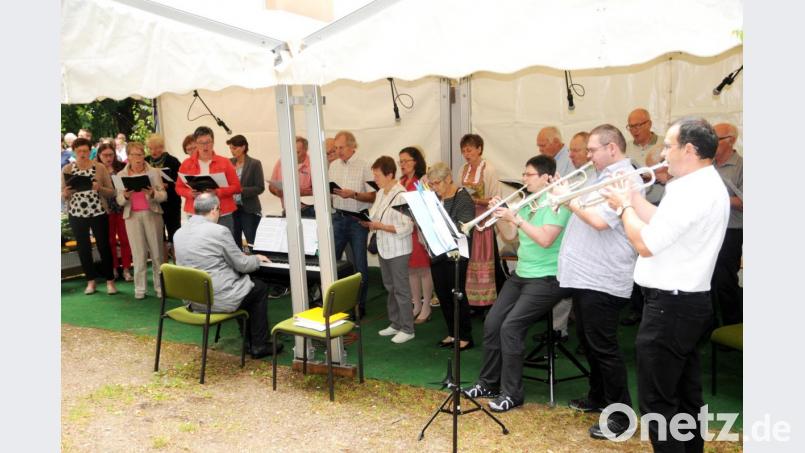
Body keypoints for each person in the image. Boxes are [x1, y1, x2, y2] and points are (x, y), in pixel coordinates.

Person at [602, 117, 729, 451]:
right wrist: (633, 197)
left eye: (669, 146)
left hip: (670, 307)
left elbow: (645, 244)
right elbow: (664, 225)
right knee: (686, 395)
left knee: (658, 402)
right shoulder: (704, 183)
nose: (663, 153)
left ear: (689, 150)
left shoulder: (689, 190)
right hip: (688, 303)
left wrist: (623, 207)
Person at [464, 155, 572, 412]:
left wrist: (516, 218)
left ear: (546, 177)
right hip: (522, 274)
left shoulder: (558, 203)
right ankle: (488, 383)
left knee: (511, 327)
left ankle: (512, 393)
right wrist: (502, 215)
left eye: (528, 174)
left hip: (548, 277)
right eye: (524, 174)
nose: (523, 178)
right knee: (492, 322)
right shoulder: (527, 202)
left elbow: (545, 240)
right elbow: (511, 236)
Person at [556, 124, 643, 440]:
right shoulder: (600, 176)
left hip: (603, 277)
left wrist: (568, 200)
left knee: (604, 348)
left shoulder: (624, 178)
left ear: (612, 148)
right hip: (586, 275)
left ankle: (621, 417)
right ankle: (598, 396)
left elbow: (599, 221)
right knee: (590, 342)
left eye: (592, 150)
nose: (588, 155)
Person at [173, 193, 282, 359]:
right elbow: (242, 265)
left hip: (194, 300)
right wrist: (256, 259)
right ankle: (259, 344)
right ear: (214, 210)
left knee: (244, 286)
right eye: (219, 209)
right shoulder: (219, 231)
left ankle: (248, 341)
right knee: (258, 287)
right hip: (216, 298)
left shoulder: (179, 233)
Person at [360, 156, 415, 343]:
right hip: (384, 247)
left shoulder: (402, 195)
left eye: (377, 175)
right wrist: (366, 221)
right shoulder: (381, 193)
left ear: (390, 174)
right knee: (390, 288)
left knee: (401, 289)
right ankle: (395, 323)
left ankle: (408, 328)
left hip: (398, 249)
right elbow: (375, 216)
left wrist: (381, 226)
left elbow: (408, 226)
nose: (374, 179)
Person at [426, 162, 475, 350]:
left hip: (457, 254)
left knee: (456, 294)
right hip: (438, 251)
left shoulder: (463, 197)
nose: (434, 187)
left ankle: (465, 336)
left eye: (437, 183)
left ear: (448, 179)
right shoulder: (436, 198)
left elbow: (465, 228)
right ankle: (453, 333)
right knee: (442, 293)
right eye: (431, 184)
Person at [62, 137, 118, 295]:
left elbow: (111, 192)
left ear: (90, 151)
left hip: (98, 212)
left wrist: (99, 188)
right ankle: (90, 281)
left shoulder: (99, 167)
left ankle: (110, 280)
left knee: (103, 246)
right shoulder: (67, 169)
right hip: (76, 213)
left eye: (85, 151)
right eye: (79, 151)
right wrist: (65, 193)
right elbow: (62, 194)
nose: (82, 154)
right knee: (83, 248)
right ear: (74, 152)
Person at [329, 130, 376, 317]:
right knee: (330, 262)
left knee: (359, 265)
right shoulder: (333, 166)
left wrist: (354, 194)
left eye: (341, 148)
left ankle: (359, 305)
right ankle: (333, 303)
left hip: (357, 220)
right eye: (336, 148)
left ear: (352, 146)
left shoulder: (365, 165)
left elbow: (373, 195)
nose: (338, 151)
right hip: (338, 217)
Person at [458, 133, 504, 309]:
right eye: (464, 151)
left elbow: (496, 198)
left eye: (469, 150)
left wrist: (476, 200)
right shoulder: (463, 169)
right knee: (468, 260)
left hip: (484, 221)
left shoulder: (489, 169)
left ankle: (490, 303)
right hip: (468, 218)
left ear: (479, 149)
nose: (466, 154)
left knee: (486, 260)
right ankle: (472, 302)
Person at [115, 142, 166, 299]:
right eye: (134, 154)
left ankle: (160, 288)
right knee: (138, 254)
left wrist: (153, 194)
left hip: (152, 214)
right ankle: (140, 289)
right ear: (128, 157)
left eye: (141, 154)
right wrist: (125, 196)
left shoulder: (154, 172)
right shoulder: (120, 175)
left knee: (157, 254)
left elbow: (164, 196)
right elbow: (119, 200)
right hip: (132, 217)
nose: (138, 158)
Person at [175, 126, 242, 235]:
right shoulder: (186, 163)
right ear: (196, 144)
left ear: (213, 142)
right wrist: (189, 193)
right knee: (199, 243)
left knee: (223, 243)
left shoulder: (224, 162)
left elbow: (237, 187)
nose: (205, 146)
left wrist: (218, 192)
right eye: (201, 142)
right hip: (195, 214)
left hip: (222, 213)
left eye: (208, 142)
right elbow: (178, 187)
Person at [711, 122, 743, 326]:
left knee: (725, 281)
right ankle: (709, 325)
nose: (711, 142)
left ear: (731, 140)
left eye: (716, 139)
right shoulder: (707, 165)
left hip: (731, 230)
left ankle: (733, 326)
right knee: (707, 279)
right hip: (708, 229)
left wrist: (718, 198)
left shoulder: (742, 166)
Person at [398, 146, 434, 323]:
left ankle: (427, 305)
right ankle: (417, 304)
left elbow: (429, 204)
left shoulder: (422, 180)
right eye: (400, 161)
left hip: (419, 229)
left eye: (406, 161)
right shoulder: (401, 181)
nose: (402, 164)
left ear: (416, 161)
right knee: (411, 269)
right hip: (405, 229)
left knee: (424, 269)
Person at [96, 142, 133, 281]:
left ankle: (126, 269)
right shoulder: (96, 169)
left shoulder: (121, 167)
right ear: (99, 155)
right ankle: (114, 268)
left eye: (111, 155)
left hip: (122, 207)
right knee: (110, 241)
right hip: (106, 209)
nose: (108, 158)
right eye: (105, 155)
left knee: (125, 239)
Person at [145, 134, 182, 259]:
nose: (153, 151)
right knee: (159, 235)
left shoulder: (173, 161)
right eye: (150, 148)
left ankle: (177, 262)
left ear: (162, 147)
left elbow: (181, 181)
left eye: (156, 148)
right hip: (154, 203)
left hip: (171, 202)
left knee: (174, 233)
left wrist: (168, 185)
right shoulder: (145, 161)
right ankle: (164, 264)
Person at [224, 134, 265, 247]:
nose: (232, 151)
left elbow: (260, 187)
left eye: (234, 148)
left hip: (248, 209)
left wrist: (241, 190)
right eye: (230, 148)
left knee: (252, 241)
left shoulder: (254, 164)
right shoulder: (228, 162)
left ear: (243, 147)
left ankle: (256, 258)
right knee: (233, 242)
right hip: (231, 209)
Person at [269, 136, 313, 218]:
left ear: (306, 150)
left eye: (297, 152)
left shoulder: (313, 164)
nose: (293, 155)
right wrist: (276, 191)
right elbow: (271, 185)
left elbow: (320, 192)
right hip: (287, 210)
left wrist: (297, 192)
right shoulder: (281, 161)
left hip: (308, 211)